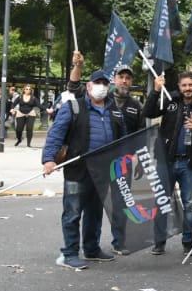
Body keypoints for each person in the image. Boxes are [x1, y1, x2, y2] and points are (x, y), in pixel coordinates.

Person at [40, 71, 128, 268]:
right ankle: (70, 253)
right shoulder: (73, 107)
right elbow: (56, 134)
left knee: (94, 212)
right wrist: (48, 159)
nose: (102, 86)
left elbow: (123, 139)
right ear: (88, 86)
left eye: (105, 83)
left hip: (102, 171)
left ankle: (91, 248)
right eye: (98, 82)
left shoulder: (115, 110)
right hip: (77, 169)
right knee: (72, 212)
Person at [143, 71, 192, 256]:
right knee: (161, 202)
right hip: (166, 160)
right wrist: (156, 91)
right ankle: (159, 242)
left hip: (190, 163)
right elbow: (148, 112)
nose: (188, 88)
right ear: (179, 86)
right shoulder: (170, 100)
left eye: (191, 85)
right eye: (184, 85)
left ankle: (187, 242)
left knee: (190, 204)